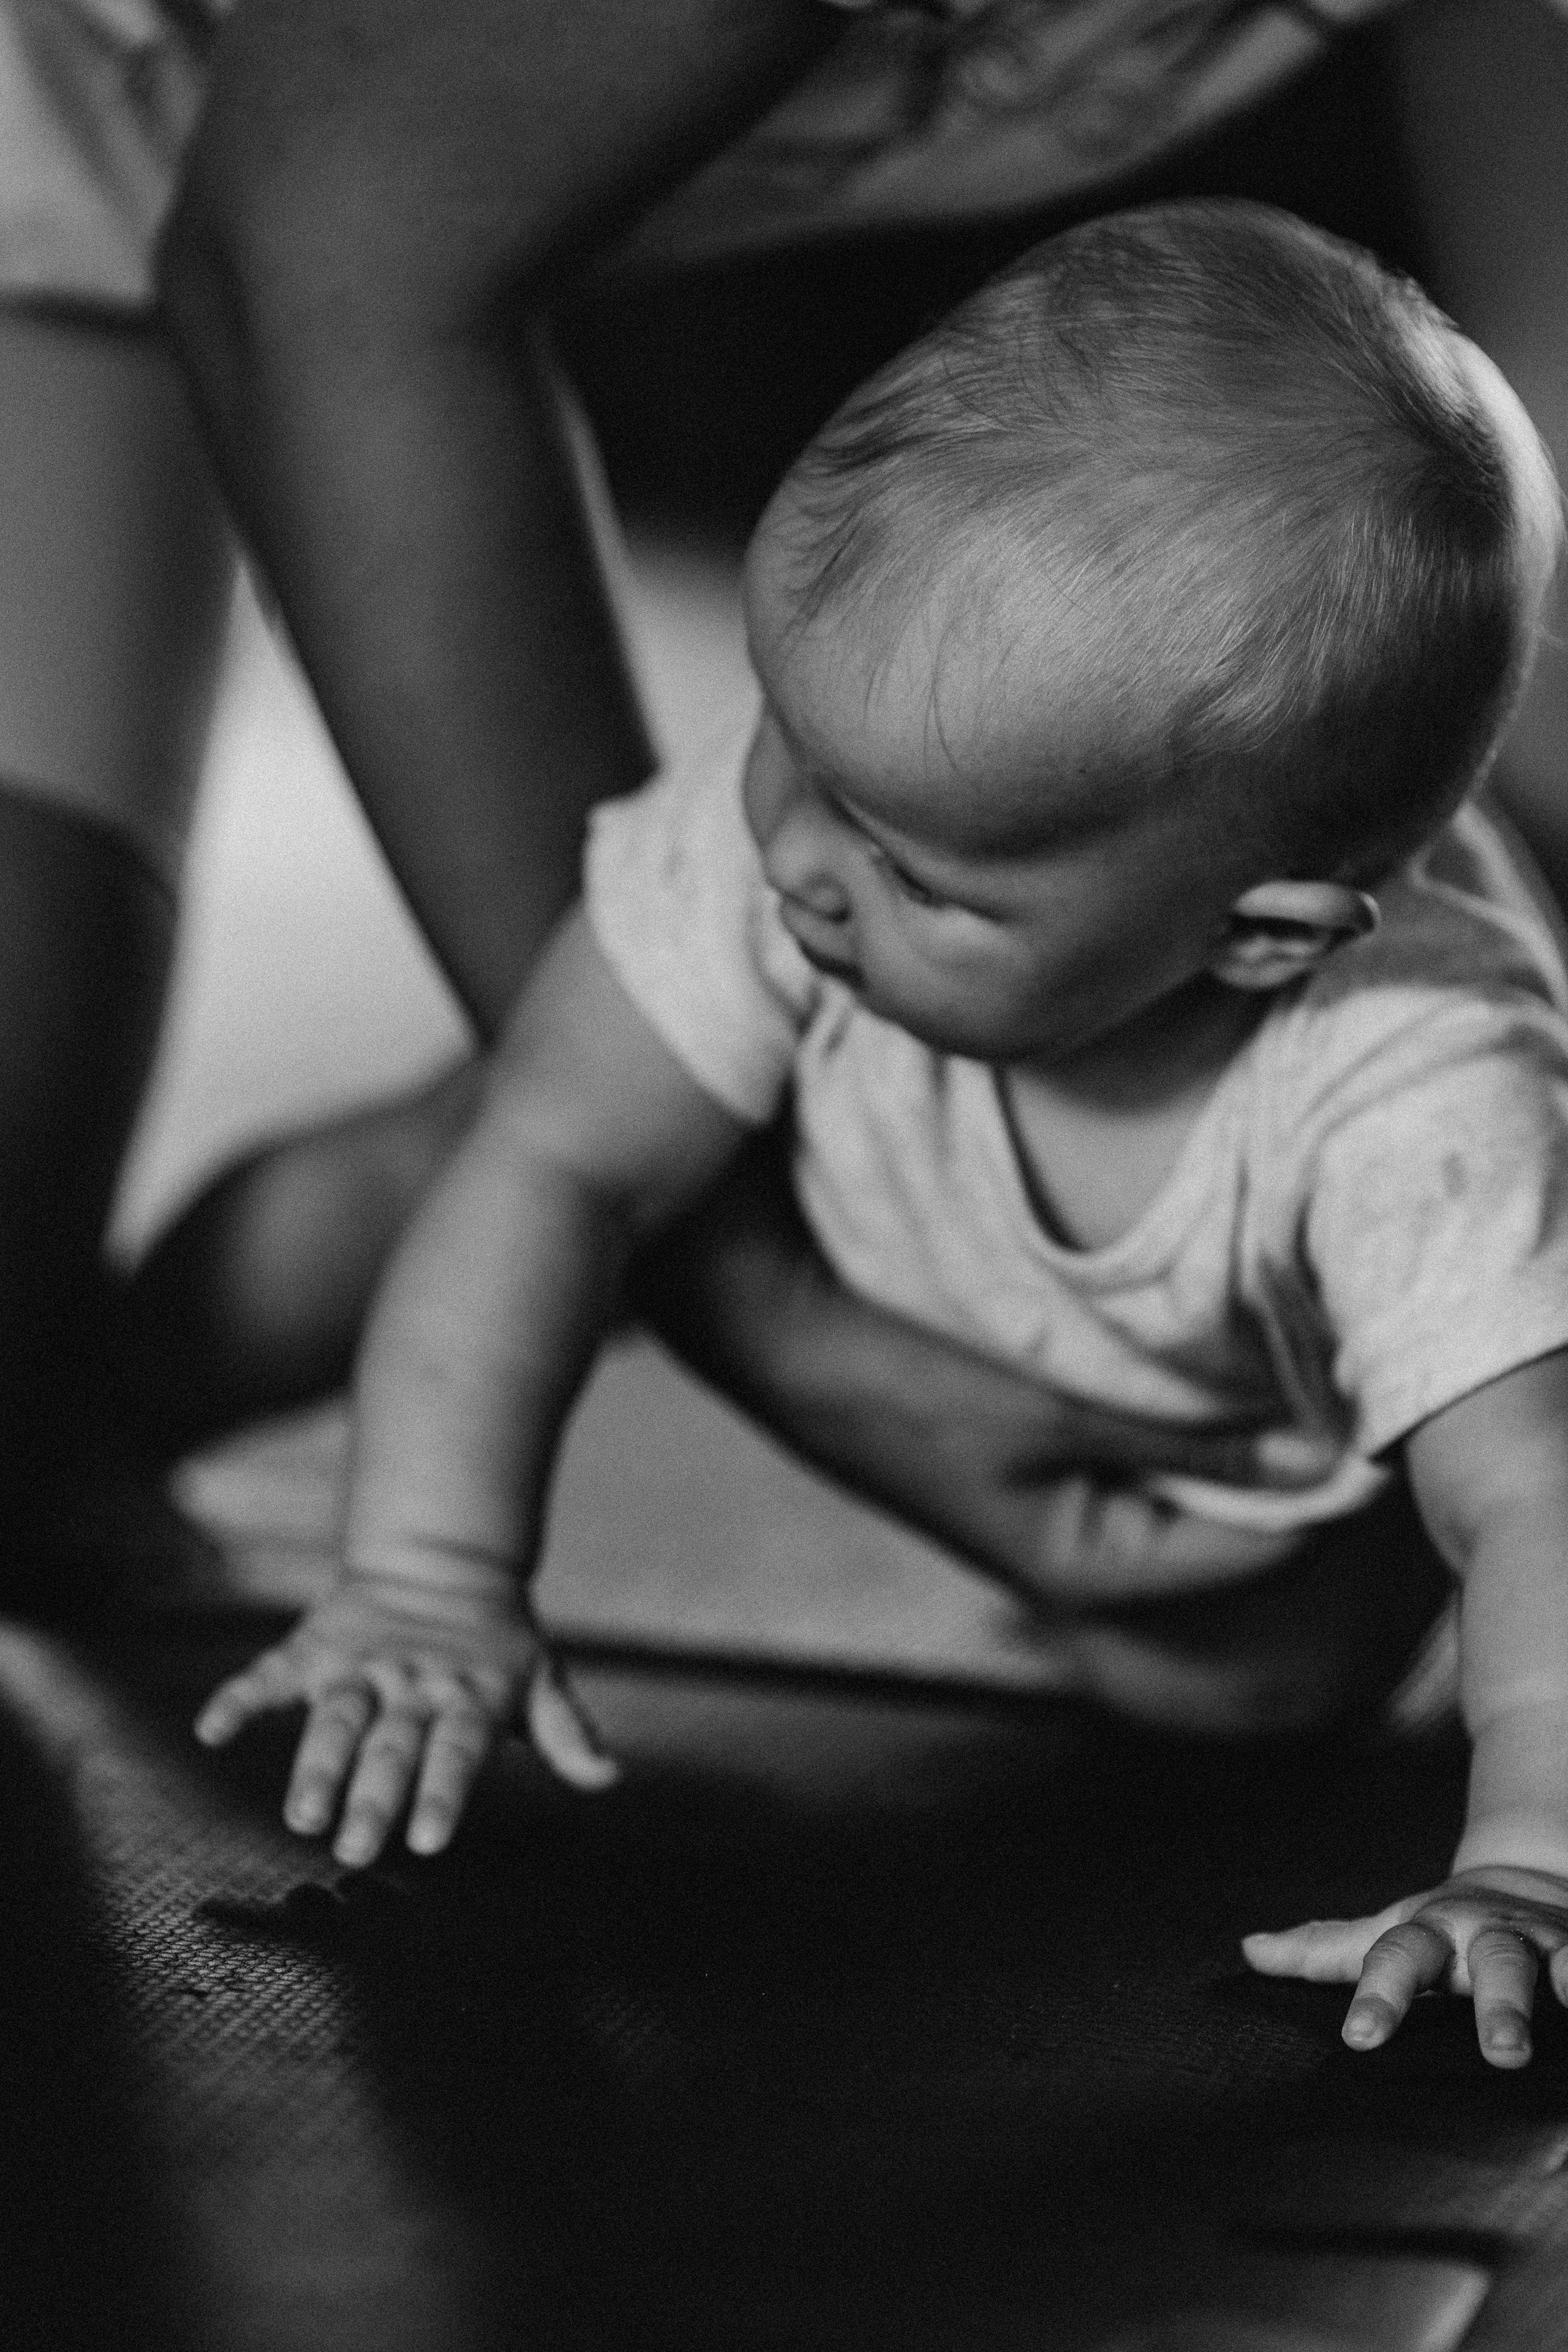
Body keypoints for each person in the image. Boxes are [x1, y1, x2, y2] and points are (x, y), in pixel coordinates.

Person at [193, 202, 1568, 2071]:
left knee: (1260, 1700)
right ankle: (95, 1389)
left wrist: (1533, 1860)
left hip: (1226, 1399)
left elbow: (1528, 1497)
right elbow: (557, 1165)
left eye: (920, 875)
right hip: (795, 1157)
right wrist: (425, 1580)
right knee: (441, 1166)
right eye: (785, 735)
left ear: (1255, 939)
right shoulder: (819, 824)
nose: (796, 864)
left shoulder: (1425, 1088)